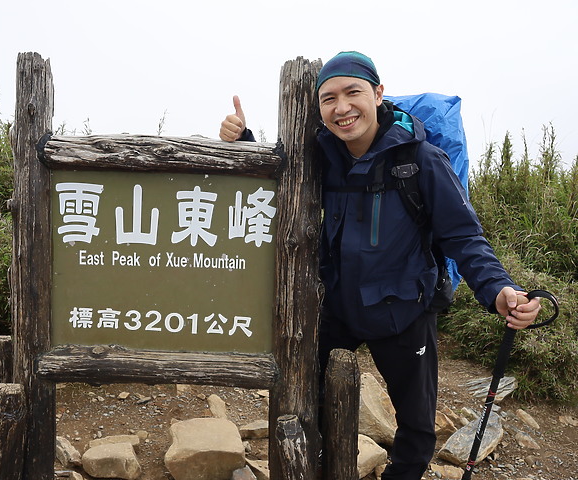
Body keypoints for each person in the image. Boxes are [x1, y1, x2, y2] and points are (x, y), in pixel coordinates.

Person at [219, 51, 542, 480]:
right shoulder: (322, 155)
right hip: (336, 308)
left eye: (353, 92)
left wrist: (498, 288)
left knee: (415, 428)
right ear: (319, 109)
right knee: (304, 400)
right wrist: (244, 142)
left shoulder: (422, 161)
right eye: (328, 98)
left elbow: (463, 236)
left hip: (405, 310)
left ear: (378, 93)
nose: (342, 107)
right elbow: (283, 184)